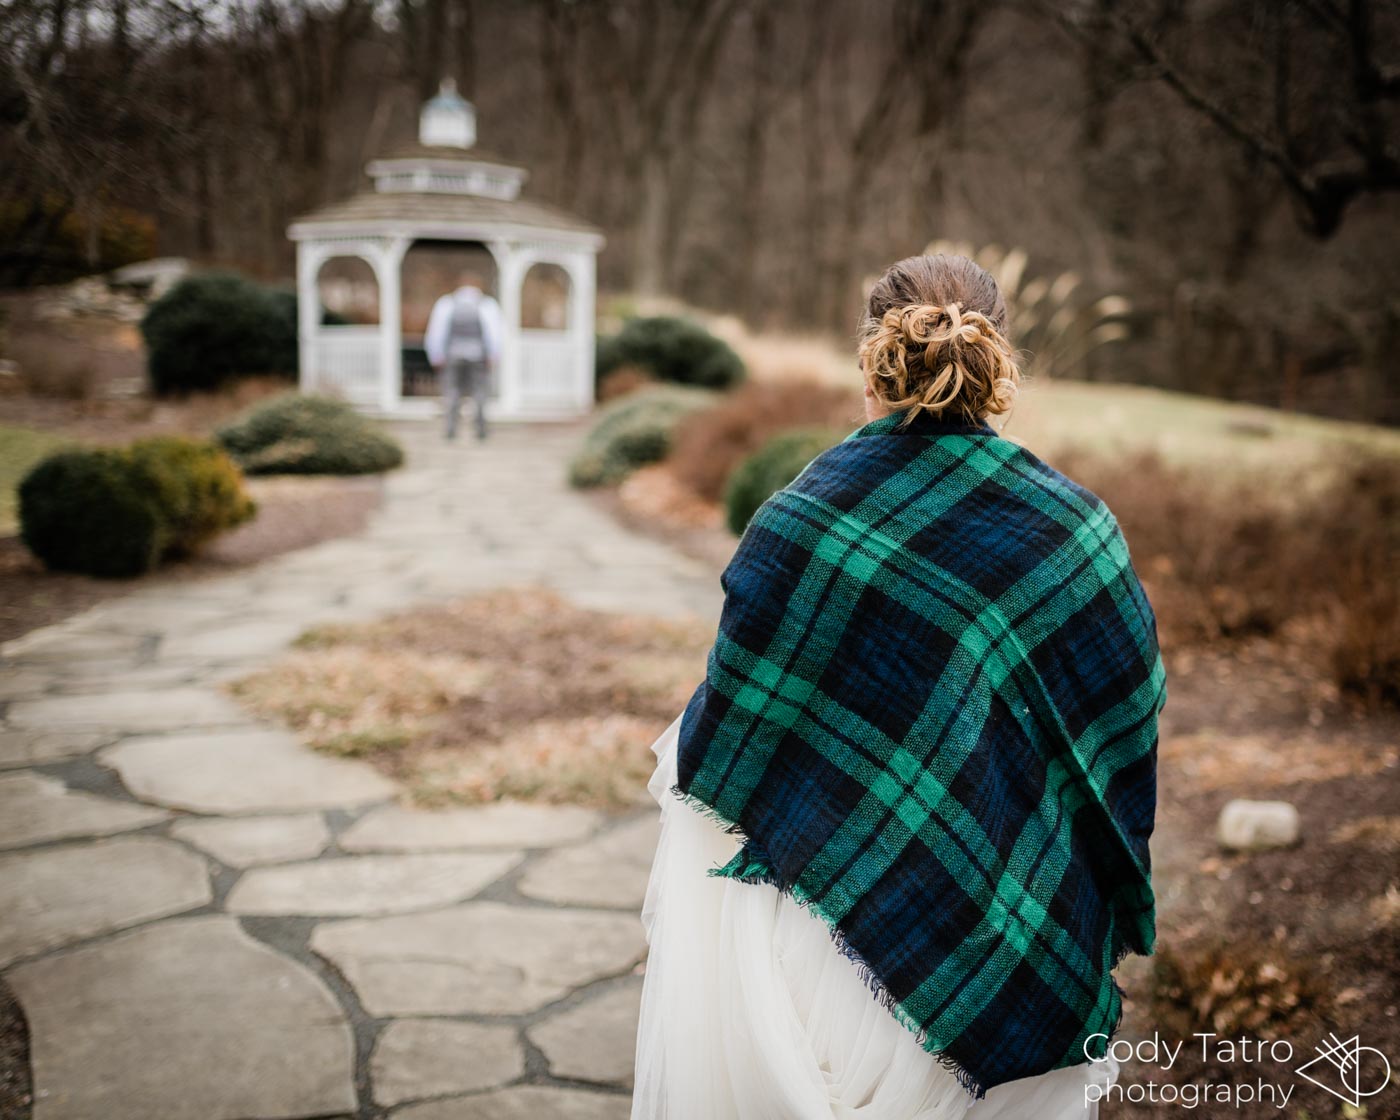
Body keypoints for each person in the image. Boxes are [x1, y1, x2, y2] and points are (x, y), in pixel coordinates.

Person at [631, 253, 1165, 1120]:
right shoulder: (1076, 526)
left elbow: (728, 741)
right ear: (997, 364)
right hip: (1005, 929)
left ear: (868, 363)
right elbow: (1124, 717)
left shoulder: (801, 521)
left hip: (820, 947)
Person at [424, 269, 503, 440]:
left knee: (452, 392)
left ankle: (451, 429)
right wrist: (494, 354)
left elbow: (437, 331)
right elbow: (494, 333)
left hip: (453, 355)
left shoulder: (447, 303)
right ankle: (480, 430)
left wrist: (435, 354)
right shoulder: (486, 304)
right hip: (478, 356)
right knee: (479, 394)